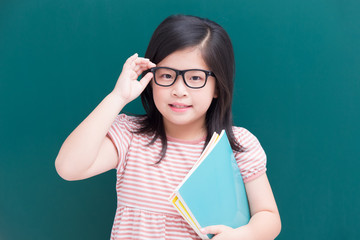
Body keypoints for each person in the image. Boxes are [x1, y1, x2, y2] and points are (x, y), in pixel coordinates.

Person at [55, 14, 281, 240]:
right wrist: (117, 97)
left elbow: (268, 217)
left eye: (195, 78)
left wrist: (244, 235)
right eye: (166, 75)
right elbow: (69, 167)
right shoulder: (130, 135)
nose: (179, 90)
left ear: (217, 87)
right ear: (151, 77)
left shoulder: (237, 145)